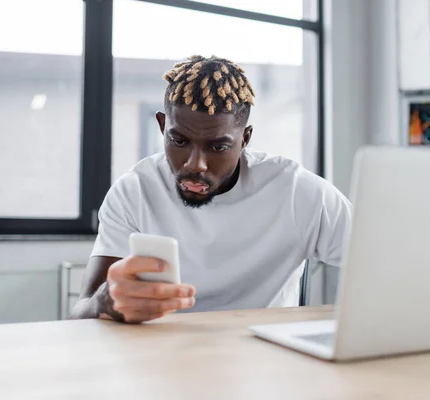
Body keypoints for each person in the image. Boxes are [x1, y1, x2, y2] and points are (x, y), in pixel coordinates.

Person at [71, 55, 351, 324]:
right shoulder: (134, 192)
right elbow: (79, 312)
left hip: (266, 358)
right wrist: (103, 302)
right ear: (162, 125)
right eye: (179, 141)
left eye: (218, 147)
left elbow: (385, 265)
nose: (195, 165)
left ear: (245, 138)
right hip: (161, 356)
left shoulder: (298, 192)